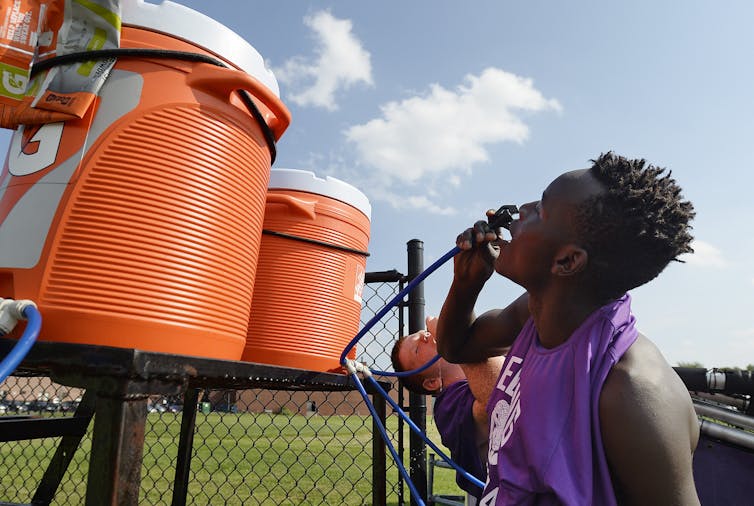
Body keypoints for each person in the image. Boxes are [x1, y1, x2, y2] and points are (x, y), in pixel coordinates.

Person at [436, 152, 700, 505]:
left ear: (567, 261)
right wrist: (467, 282)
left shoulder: (634, 392)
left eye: (540, 209)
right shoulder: (533, 314)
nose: (521, 209)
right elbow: (457, 348)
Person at [391, 316, 509, 500]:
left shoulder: (488, 355)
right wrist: (455, 336)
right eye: (417, 349)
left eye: (424, 333)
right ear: (432, 382)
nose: (426, 337)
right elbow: (501, 397)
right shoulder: (447, 406)